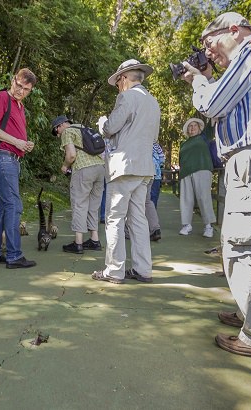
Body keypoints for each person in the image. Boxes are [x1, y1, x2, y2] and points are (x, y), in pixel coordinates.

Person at [181, 12, 251, 362]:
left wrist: (199, 80)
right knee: (235, 244)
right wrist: (208, 77)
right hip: (249, 159)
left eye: (208, 43)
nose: (208, 52)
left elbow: (213, 104)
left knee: (249, 248)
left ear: (233, 30)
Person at [92, 59, 161, 284]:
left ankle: (114, 270)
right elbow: (153, 138)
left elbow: (111, 127)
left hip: (123, 166)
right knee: (138, 219)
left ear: (123, 78)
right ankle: (143, 270)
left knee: (115, 219)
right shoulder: (153, 102)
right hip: (144, 168)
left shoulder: (127, 96)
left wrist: (102, 122)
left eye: (118, 82)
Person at [0, 68, 38, 269]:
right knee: (14, 206)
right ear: (13, 80)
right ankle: (14, 256)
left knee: (3, 207)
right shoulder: (1, 98)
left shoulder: (19, 106)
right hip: (4, 159)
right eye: (19, 85)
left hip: (12, 158)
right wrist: (16, 141)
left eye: (26, 89)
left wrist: (24, 143)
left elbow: (14, 132)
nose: (20, 90)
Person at [51, 115, 105, 254]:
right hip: (100, 169)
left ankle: (78, 243)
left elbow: (71, 155)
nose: (58, 135)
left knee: (79, 204)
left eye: (56, 131)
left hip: (83, 170)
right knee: (93, 205)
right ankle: (94, 240)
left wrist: (64, 166)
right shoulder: (83, 127)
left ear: (60, 126)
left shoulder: (67, 132)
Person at [178, 117, 216, 238]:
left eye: (195, 125)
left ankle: (208, 226)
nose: (192, 128)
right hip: (185, 172)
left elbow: (212, 123)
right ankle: (186, 225)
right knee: (186, 199)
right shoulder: (183, 144)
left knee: (203, 197)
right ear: (187, 130)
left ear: (199, 128)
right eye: (190, 126)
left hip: (202, 169)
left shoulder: (204, 137)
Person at [146, 142, 165, 241]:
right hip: (155, 174)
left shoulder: (135, 137)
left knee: (142, 201)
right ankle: (155, 228)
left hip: (143, 172)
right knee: (150, 201)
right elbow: (162, 158)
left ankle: (147, 228)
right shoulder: (155, 144)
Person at [150, 142, 165, 207]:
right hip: (154, 174)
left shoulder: (156, 145)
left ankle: (151, 213)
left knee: (153, 196)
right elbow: (162, 159)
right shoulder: (156, 145)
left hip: (155, 175)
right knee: (153, 196)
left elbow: (162, 159)